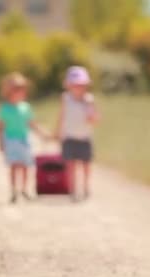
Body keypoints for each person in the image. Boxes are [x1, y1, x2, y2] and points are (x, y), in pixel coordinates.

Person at [0, 72, 47, 203]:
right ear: (9, 91)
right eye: (16, 90)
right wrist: (1, 143)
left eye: (21, 89)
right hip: (11, 141)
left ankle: (24, 189)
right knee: (14, 166)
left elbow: (31, 123)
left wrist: (42, 134)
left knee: (26, 166)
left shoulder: (26, 107)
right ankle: (14, 190)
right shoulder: (5, 109)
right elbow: (0, 127)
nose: (19, 92)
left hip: (24, 140)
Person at [56, 66, 99, 201]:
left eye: (81, 85)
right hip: (69, 137)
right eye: (75, 85)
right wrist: (58, 131)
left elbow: (94, 119)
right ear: (69, 85)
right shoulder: (65, 98)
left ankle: (86, 187)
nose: (78, 88)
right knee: (71, 165)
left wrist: (89, 109)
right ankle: (73, 190)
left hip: (84, 137)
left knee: (86, 165)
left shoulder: (89, 99)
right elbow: (62, 116)